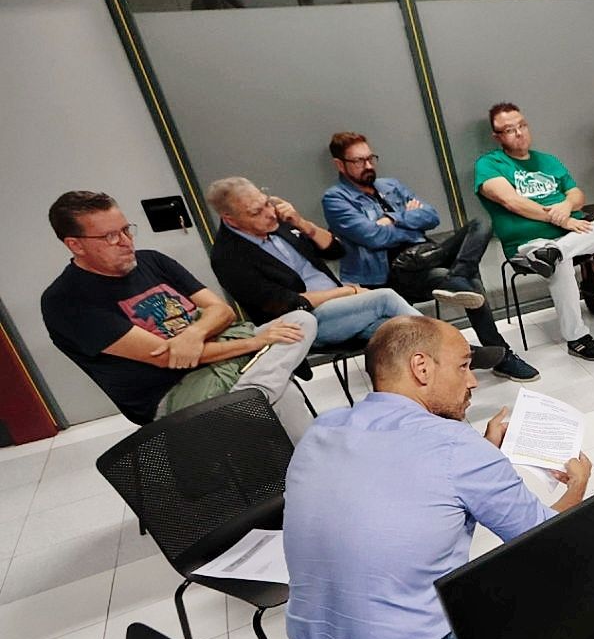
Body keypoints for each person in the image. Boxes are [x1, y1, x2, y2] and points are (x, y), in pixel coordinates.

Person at [284, 316, 591, 639]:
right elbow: (541, 537)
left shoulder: (323, 430)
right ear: (422, 368)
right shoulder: (455, 447)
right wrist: (577, 488)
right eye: (463, 366)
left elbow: (404, 481)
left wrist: (482, 452)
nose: (473, 382)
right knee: (571, 575)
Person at [41, 190, 314, 427]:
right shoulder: (66, 300)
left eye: (126, 230)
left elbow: (223, 311)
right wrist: (256, 343)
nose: (126, 242)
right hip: (173, 391)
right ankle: (260, 394)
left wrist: (192, 335)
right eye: (110, 236)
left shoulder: (152, 261)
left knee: (301, 320)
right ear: (75, 244)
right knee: (284, 391)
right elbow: (168, 357)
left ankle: (253, 393)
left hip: (223, 355)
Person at [323, 132, 536, 380]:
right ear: (340, 164)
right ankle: (500, 353)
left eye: (371, 158)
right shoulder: (335, 199)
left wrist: (392, 218)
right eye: (359, 161)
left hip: (428, 254)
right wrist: (410, 221)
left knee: (481, 224)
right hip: (392, 274)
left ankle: (459, 277)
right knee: (460, 281)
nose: (368, 165)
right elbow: (373, 237)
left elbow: (432, 216)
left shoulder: (390, 185)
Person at [474, 103, 594, 361]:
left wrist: (566, 206)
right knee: (559, 263)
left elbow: (577, 195)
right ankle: (577, 338)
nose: (519, 133)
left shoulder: (548, 160)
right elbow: (512, 202)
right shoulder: (489, 165)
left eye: (522, 125)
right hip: (528, 244)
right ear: (497, 137)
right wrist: (561, 220)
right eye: (509, 129)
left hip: (567, 238)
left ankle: (554, 252)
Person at [207, 176, 421, 346]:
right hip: (305, 323)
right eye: (256, 212)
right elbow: (287, 303)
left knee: (399, 329)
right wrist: (348, 291)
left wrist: (301, 223)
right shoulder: (228, 258)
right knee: (385, 297)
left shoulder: (277, 220)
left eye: (266, 204)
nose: (270, 214)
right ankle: (452, 343)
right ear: (230, 219)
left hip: (344, 309)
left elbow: (336, 250)